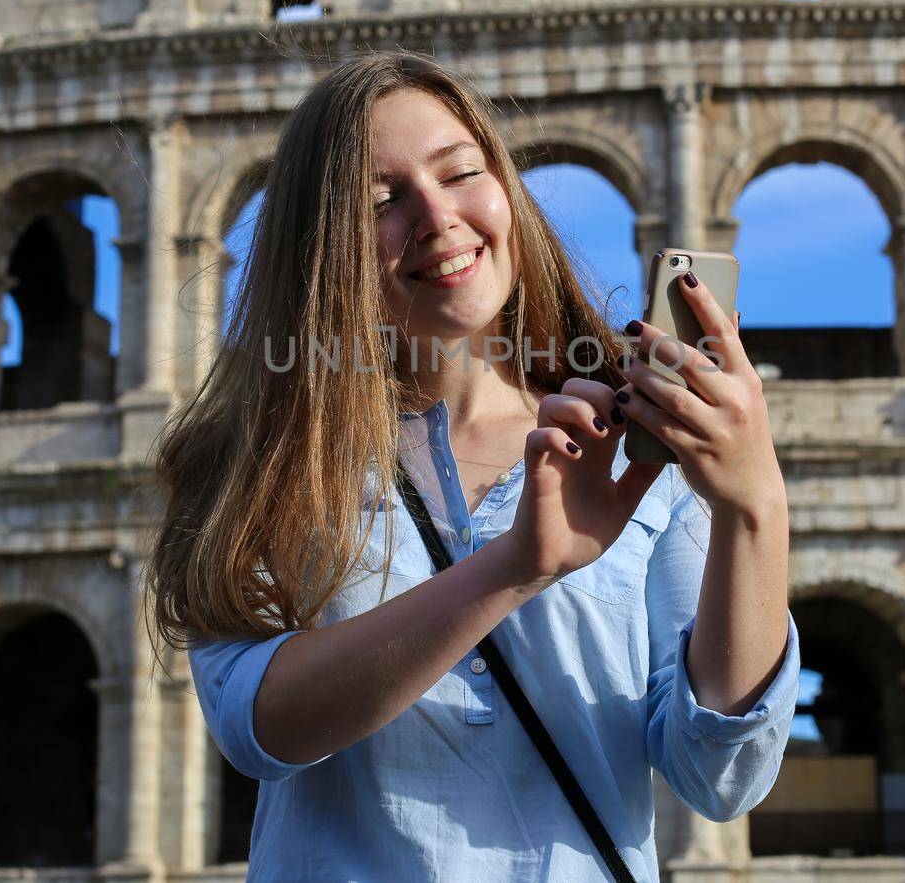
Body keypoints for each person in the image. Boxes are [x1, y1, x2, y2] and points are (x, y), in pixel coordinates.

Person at [143, 51, 800, 881]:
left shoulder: (636, 451)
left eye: (461, 173)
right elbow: (257, 723)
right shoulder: (261, 457)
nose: (437, 216)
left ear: (507, 191)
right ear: (318, 246)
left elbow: (721, 775)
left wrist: (754, 503)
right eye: (381, 201)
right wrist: (514, 567)